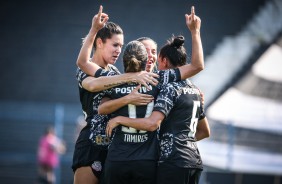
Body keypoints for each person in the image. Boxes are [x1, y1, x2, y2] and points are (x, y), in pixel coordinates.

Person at [98, 6, 205, 184]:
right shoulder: (159, 79)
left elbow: (101, 108)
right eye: (148, 52)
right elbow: (197, 66)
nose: (151, 57)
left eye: (154, 52)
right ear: (144, 59)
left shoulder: (113, 78)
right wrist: (195, 31)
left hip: (118, 158)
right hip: (147, 161)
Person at [72, 6, 158, 184]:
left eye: (121, 45)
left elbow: (140, 86)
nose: (119, 50)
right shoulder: (86, 71)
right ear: (100, 43)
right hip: (91, 145)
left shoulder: (114, 71)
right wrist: (94, 29)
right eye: (115, 45)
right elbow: (94, 84)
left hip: (115, 149)